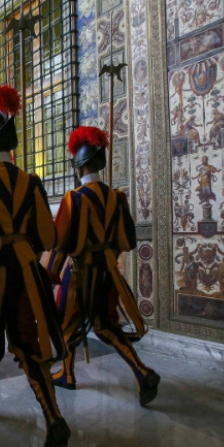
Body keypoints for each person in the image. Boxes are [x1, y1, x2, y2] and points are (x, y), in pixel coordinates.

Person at [0, 84, 71, 447]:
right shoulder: (31, 181)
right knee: (28, 344)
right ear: (12, 144)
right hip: (25, 273)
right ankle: (53, 417)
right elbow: (46, 236)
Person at [43, 126, 160, 406]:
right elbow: (128, 240)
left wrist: (50, 274)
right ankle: (141, 372)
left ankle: (68, 374)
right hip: (108, 272)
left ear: (79, 166)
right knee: (106, 325)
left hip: (81, 273)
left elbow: (61, 242)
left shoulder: (74, 198)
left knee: (64, 322)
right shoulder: (117, 198)